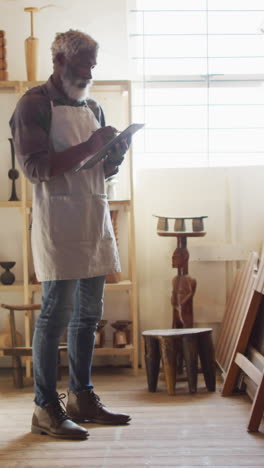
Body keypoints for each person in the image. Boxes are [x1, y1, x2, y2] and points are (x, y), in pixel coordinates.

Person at [10, 29, 131, 440]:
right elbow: (35, 169)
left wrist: (112, 156)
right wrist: (91, 145)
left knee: (88, 315)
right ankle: (45, 408)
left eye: (93, 65)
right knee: (55, 314)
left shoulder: (92, 105)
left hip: (93, 217)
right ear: (60, 61)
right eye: (83, 65)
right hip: (58, 222)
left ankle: (82, 397)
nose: (90, 72)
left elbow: (98, 169)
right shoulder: (33, 104)